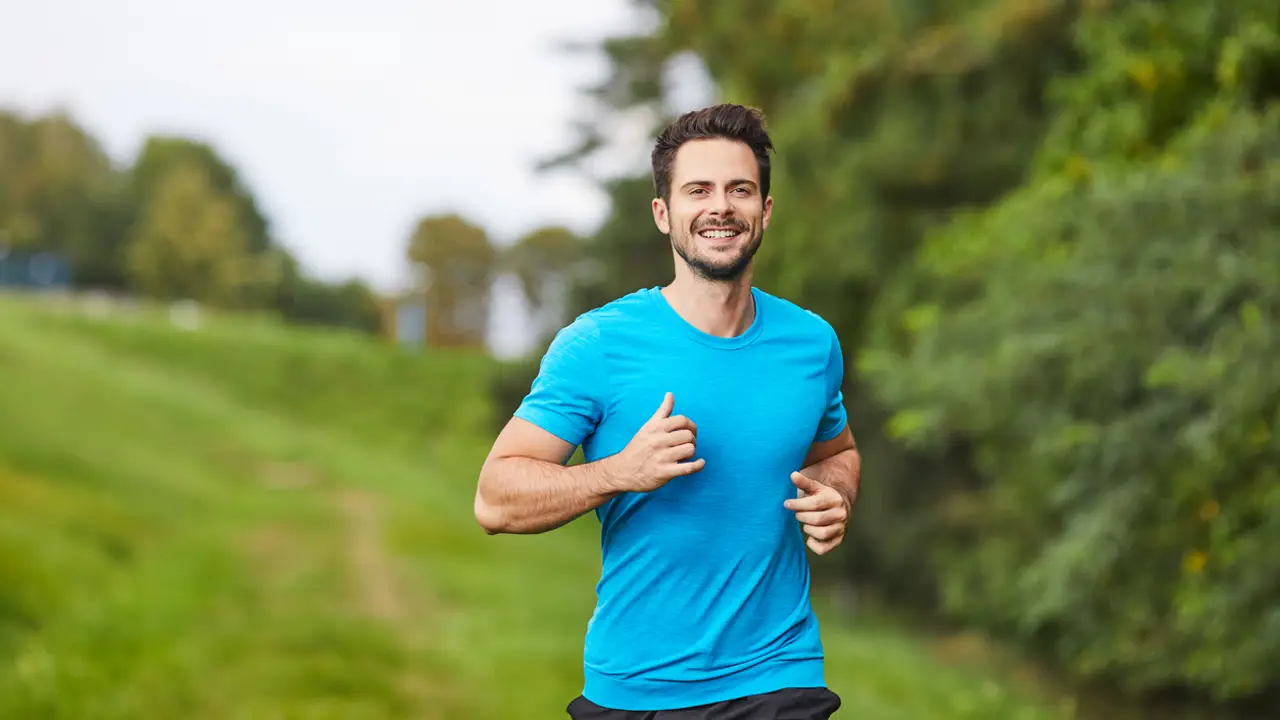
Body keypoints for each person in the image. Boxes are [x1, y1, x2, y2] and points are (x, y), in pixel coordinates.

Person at [473, 103, 862, 719]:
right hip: (637, 688)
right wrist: (618, 472)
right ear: (664, 213)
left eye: (740, 189)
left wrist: (835, 494)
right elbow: (495, 499)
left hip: (779, 674)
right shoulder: (599, 344)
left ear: (765, 211)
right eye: (698, 190)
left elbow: (836, 452)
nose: (721, 207)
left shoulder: (811, 344)